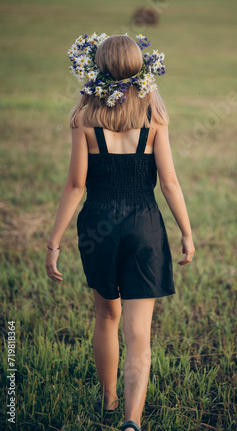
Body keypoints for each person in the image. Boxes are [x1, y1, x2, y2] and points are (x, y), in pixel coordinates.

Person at [45, 33, 195, 431]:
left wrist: (53, 241)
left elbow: (76, 186)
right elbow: (170, 183)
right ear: (140, 67)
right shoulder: (155, 117)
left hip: (98, 224)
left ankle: (110, 400)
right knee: (138, 333)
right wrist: (186, 232)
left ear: (97, 68)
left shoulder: (85, 120)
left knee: (106, 315)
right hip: (145, 225)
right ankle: (132, 420)